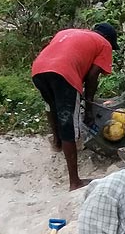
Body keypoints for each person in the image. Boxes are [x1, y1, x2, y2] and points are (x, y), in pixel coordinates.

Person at [31, 23, 118, 191]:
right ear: (108, 39)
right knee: (68, 122)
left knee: (52, 106)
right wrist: (89, 106)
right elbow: (93, 75)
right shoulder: (103, 43)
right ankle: (75, 181)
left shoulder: (67, 31)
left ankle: (57, 143)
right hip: (64, 74)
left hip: (39, 69)